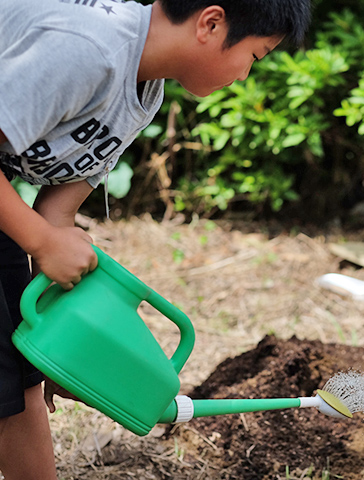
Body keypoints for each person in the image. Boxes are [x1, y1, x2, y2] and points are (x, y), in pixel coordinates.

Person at [0, 0, 311, 477]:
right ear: (211, 22)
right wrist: (40, 241)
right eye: (256, 56)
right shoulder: (88, 49)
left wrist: (63, 333)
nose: (247, 75)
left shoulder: (144, 95)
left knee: (15, 379)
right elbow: (44, 232)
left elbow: (55, 210)